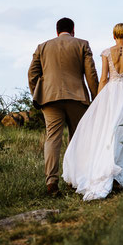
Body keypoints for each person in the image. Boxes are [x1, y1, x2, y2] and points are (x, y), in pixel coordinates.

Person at [62, 23, 123, 201]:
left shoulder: (106, 52)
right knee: (122, 136)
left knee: (105, 134)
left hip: (110, 94)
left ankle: (109, 173)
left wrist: (98, 100)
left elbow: (103, 78)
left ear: (113, 35)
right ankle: (118, 177)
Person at [28, 18, 99, 196]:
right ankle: (74, 180)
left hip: (50, 99)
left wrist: (39, 94)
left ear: (57, 30)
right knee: (77, 140)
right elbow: (91, 73)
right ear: (73, 30)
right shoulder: (82, 44)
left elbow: (32, 74)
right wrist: (95, 97)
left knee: (52, 139)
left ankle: (51, 181)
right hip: (77, 98)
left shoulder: (42, 47)